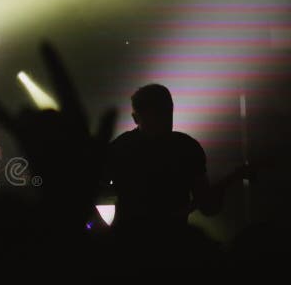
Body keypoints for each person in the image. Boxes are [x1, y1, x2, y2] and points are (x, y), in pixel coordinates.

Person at [105, 84, 247, 232]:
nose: (163, 121)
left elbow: (207, 206)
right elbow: (208, 208)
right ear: (136, 118)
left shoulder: (121, 147)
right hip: (174, 243)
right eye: (156, 115)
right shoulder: (187, 147)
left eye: (166, 114)